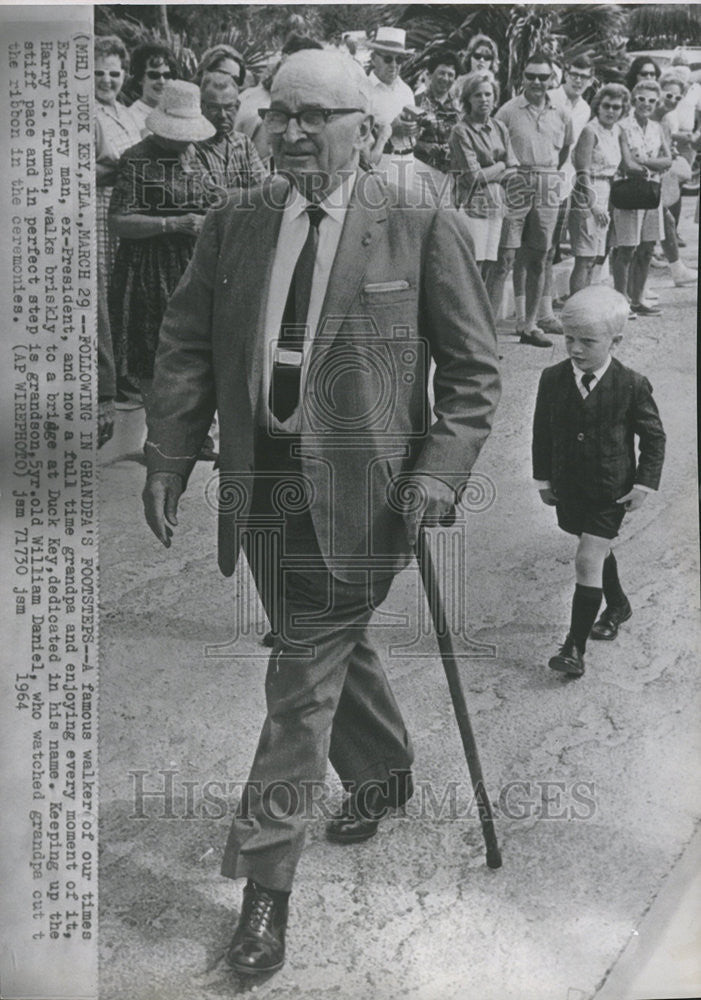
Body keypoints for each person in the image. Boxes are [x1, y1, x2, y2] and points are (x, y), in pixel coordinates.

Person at [141, 49, 501, 977]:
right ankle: (384, 772)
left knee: (299, 684)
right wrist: (172, 450)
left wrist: (438, 472)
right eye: (279, 115)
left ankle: (266, 889)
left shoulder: (419, 220)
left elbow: (471, 373)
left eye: (315, 117)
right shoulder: (236, 220)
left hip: (370, 497)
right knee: (325, 641)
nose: (292, 132)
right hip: (259, 488)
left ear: (364, 128)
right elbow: (184, 339)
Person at [532, 286, 666, 678]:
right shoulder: (552, 378)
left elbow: (654, 437)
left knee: (587, 558)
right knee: (592, 547)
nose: (574, 348)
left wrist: (644, 484)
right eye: (568, 338)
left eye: (587, 341)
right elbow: (541, 431)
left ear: (615, 341)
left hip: (612, 489)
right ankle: (618, 604)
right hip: (569, 487)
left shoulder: (631, 384)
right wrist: (542, 478)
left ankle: (574, 648)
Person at [108, 81, 215, 415]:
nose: (186, 140)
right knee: (153, 350)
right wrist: (171, 223)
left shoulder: (193, 153)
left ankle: (190, 431)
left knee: (190, 349)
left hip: (188, 262)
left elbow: (207, 194)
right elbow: (118, 220)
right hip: (148, 268)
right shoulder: (136, 158)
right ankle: (161, 431)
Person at [496, 51, 573, 346]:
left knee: (540, 255)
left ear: (552, 79)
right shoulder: (508, 111)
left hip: (548, 181)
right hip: (517, 181)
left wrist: (548, 175)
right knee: (507, 255)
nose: (537, 82)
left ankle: (529, 325)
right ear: (522, 78)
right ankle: (497, 326)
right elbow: (497, 147)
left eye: (544, 77)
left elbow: (565, 149)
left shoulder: (561, 112)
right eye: (531, 76)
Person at [94, 35, 142, 405]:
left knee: (121, 292)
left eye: (114, 72)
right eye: (97, 73)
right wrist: (114, 169)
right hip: (97, 212)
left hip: (124, 210)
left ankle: (125, 375)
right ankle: (107, 383)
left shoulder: (124, 112)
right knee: (102, 295)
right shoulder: (85, 112)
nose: (107, 80)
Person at [449, 70, 519, 313]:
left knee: (491, 265)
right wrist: (500, 166)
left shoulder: (499, 127)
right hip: (473, 206)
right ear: (468, 99)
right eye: (477, 95)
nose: (484, 99)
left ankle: (483, 326)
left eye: (488, 94)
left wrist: (495, 171)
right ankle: (467, 326)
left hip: (497, 206)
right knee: (473, 268)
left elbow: (515, 168)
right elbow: (472, 176)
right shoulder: (461, 131)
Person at [538, 56, 594, 332]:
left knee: (552, 250)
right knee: (541, 250)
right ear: (566, 74)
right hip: (542, 182)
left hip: (567, 185)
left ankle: (544, 312)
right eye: (574, 73)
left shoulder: (584, 107)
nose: (579, 79)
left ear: (591, 79)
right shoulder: (548, 97)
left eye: (584, 75)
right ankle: (543, 313)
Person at [610, 79, 672, 318]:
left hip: (652, 192)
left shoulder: (657, 127)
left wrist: (642, 162)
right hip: (629, 192)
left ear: (657, 103)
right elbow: (626, 164)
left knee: (647, 247)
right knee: (626, 248)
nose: (646, 104)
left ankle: (638, 298)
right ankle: (621, 301)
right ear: (634, 100)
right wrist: (650, 164)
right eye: (642, 99)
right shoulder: (622, 126)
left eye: (652, 101)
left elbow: (668, 160)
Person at [569, 84, 635, 294]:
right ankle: (576, 307)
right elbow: (582, 172)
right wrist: (594, 205)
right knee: (585, 257)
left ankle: (588, 306)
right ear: (598, 106)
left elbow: (626, 163)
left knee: (597, 255)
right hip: (588, 193)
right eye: (606, 106)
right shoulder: (590, 131)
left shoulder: (617, 131)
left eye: (616, 107)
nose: (611, 111)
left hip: (607, 190)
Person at [195, 70, 267, 191]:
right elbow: (212, 198)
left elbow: (263, 187)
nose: (222, 115)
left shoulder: (244, 143)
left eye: (228, 107)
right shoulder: (193, 147)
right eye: (214, 107)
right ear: (202, 107)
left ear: (237, 106)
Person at [365, 27, 417, 187]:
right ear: (374, 59)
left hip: (408, 163)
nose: (394, 65)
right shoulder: (364, 92)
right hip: (380, 165)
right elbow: (360, 146)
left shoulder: (406, 90)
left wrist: (414, 129)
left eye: (399, 60)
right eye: (388, 59)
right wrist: (392, 129)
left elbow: (414, 135)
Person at [413, 49, 461, 199]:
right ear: (430, 74)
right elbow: (404, 141)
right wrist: (423, 146)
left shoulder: (460, 108)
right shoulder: (415, 102)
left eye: (450, 75)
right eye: (441, 73)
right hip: (421, 176)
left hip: (452, 179)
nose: (445, 78)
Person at [125, 42, 178, 135]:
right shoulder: (130, 118)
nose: (162, 81)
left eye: (167, 75)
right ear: (140, 78)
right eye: (154, 75)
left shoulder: (178, 112)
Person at [450, 33, 499, 106]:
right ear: (470, 57)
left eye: (487, 57)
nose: (482, 60)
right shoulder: (458, 82)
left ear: (492, 62)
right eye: (477, 56)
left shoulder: (493, 85)